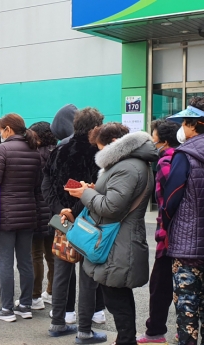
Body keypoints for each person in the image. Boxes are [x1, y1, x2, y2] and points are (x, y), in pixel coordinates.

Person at [65, 123, 157, 345]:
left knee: (117, 298)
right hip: (119, 238)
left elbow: (111, 207)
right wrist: (93, 189)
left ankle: (126, 340)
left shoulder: (127, 167)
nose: (99, 153)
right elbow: (115, 198)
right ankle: (126, 339)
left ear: (114, 143)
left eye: (100, 148)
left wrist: (86, 194)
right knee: (118, 295)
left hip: (118, 240)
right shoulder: (129, 164)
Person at [43, 107, 106, 330]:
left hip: (62, 221)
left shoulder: (59, 150)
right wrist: (76, 209)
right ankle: (85, 329)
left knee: (61, 273)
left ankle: (58, 322)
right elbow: (95, 189)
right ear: (96, 127)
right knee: (88, 275)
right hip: (91, 221)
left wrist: (61, 210)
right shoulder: (99, 155)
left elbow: (47, 185)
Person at [0, 113, 41, 322]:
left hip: (6, 213)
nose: (0, 133)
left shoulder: (3, 149)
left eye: (0, 129)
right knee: (25, 260)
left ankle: (7, 309)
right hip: (28, 211)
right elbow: (37, 185)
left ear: (8, 129)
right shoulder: (34, 151)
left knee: (6, 261)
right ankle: (25, 305)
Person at [162, 98, 204, 345]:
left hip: (188, 247)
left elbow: (171, 198)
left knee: (188, 308)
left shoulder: (184, 154)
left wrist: (167, 224)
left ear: (191, 124)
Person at [136, 120, 181, 344]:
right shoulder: (184, 157)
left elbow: (168, 203)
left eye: (153, 138)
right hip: (188, 235)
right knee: (188, 285)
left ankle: (155, 332)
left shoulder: (166, 160)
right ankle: (184, 328)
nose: (152, 142)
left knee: (160, 286)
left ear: (163, 141)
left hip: (170, 235)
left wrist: (164, 233)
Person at [28, 121, 57, 311]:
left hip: (38, 209)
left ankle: (35, 296)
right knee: (53, 255)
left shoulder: (35, 156)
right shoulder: (58, 153)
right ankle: (52, 292)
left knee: (35, 255)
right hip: (55, 210)